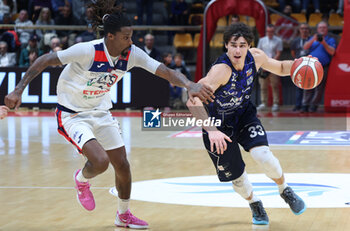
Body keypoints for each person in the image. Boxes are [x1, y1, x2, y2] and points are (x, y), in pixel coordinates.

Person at [4, 1, 214, 229]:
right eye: (126, 37)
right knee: (101, 161)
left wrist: (189, 84)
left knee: (122, 164)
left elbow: (166, 71)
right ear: (110, 37)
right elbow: (45, 60)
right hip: (72, 114)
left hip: (101, 111)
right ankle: (81, 180)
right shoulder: (87, 50)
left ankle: (123, 215)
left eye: (131, 36)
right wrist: (18, 89)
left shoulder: (132, 53)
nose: (131, 41)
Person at [186, 23, 306, 226]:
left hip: (244, 116)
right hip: (218, 126)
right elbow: (192, 99)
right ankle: (255, 203)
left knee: (264, 156)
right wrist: (212, 130)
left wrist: (302, 64)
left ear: (249, 46)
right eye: (233, 45)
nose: (238, 50)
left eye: (242, 45)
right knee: (238, 178)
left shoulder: (256, 57)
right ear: (226, 46)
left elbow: (282, 67)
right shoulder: (221, 71)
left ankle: (284, 189)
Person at [301, 21, 336, 113]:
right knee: (308, 85)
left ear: (327, 29)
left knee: (319, 88)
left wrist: (323, 42)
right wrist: (314, 39)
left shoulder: (330, 40)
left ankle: (313, 105)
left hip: (323, 66)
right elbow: (305, 47)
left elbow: (332, 52)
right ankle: (305, 105)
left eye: (324, 27)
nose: (322, 29)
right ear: (317, 29)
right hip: (311, 65)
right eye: (320, 28)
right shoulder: (312, 38)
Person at [257, 24, 283, 112]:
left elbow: (278, 53)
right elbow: (258, 52)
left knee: (275, 85)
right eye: (268, 31)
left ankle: (276, 103)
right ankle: (264, 103)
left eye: (271, 31)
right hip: (263, 66)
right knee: (263, 86)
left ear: (274, 31)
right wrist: (264, 64)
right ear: (266, 31)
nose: (270, 33)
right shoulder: (261, 40)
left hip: (274, 65)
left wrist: (270, 64)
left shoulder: (278, 40)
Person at [290, 23, 310, 111]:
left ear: (308, 30)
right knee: (299, 85)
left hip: (310, 66)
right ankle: (298, 105)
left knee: (309, 86)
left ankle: (306, 105)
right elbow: (293, 52)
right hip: (299, 66)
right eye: (302, 29)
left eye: (306, 28)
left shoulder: (311, 39)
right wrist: (297, 60)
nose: (304, 30)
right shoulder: (296, 40)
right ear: (299, 30)